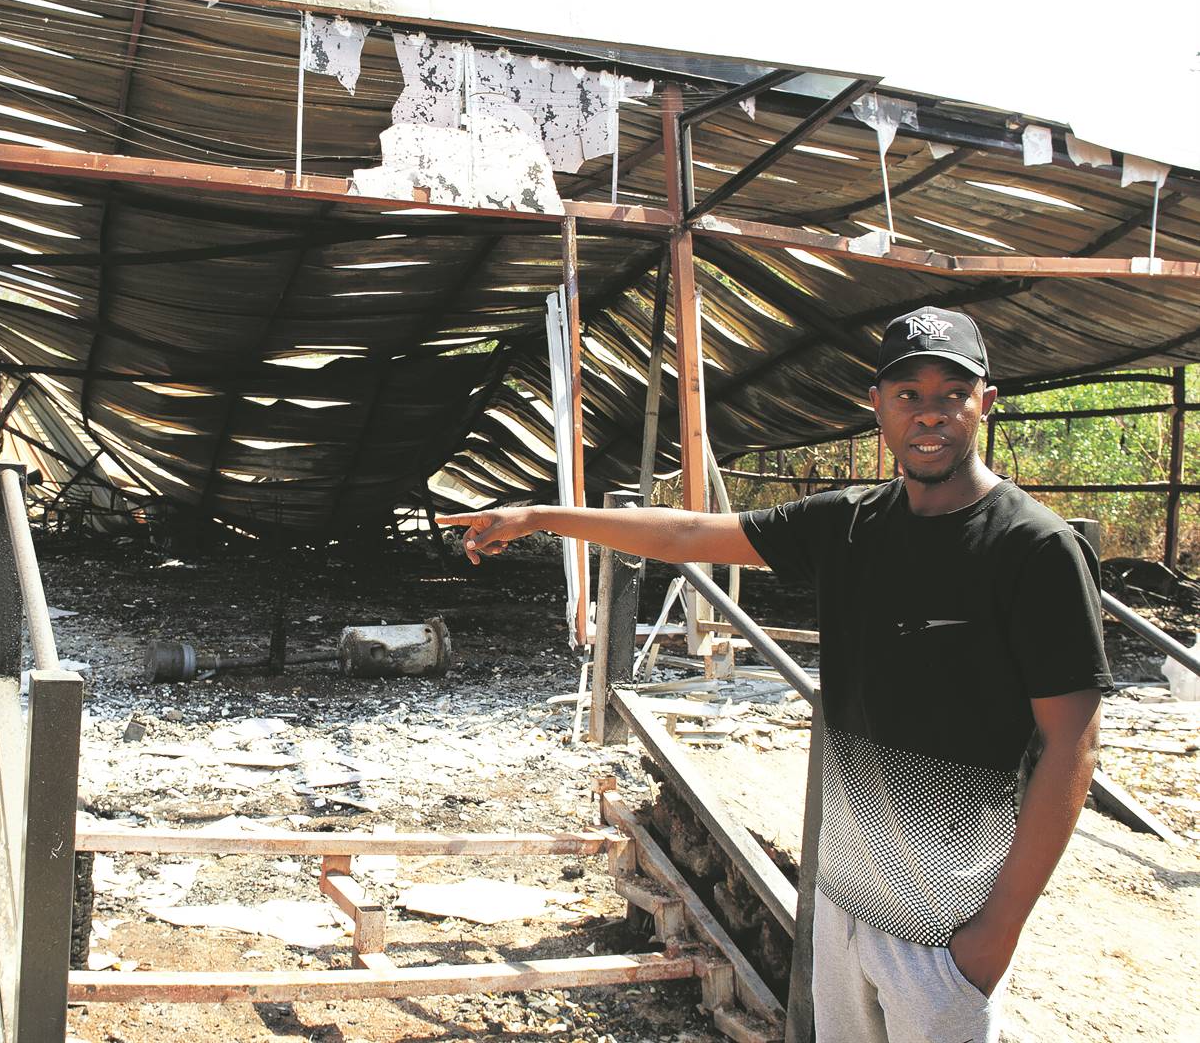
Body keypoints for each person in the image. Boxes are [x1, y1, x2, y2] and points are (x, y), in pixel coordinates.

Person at [437, 306, 1107, 1043]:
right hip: (844, 899)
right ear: (876, 405)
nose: (931, 414)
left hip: (948, 927)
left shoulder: (1033, 549)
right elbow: (691, 531)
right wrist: (542, 516)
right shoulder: (850, 527)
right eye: (909, 394)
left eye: (953, 393)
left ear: (986, 401)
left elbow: (1071, 745)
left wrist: (996, 932)